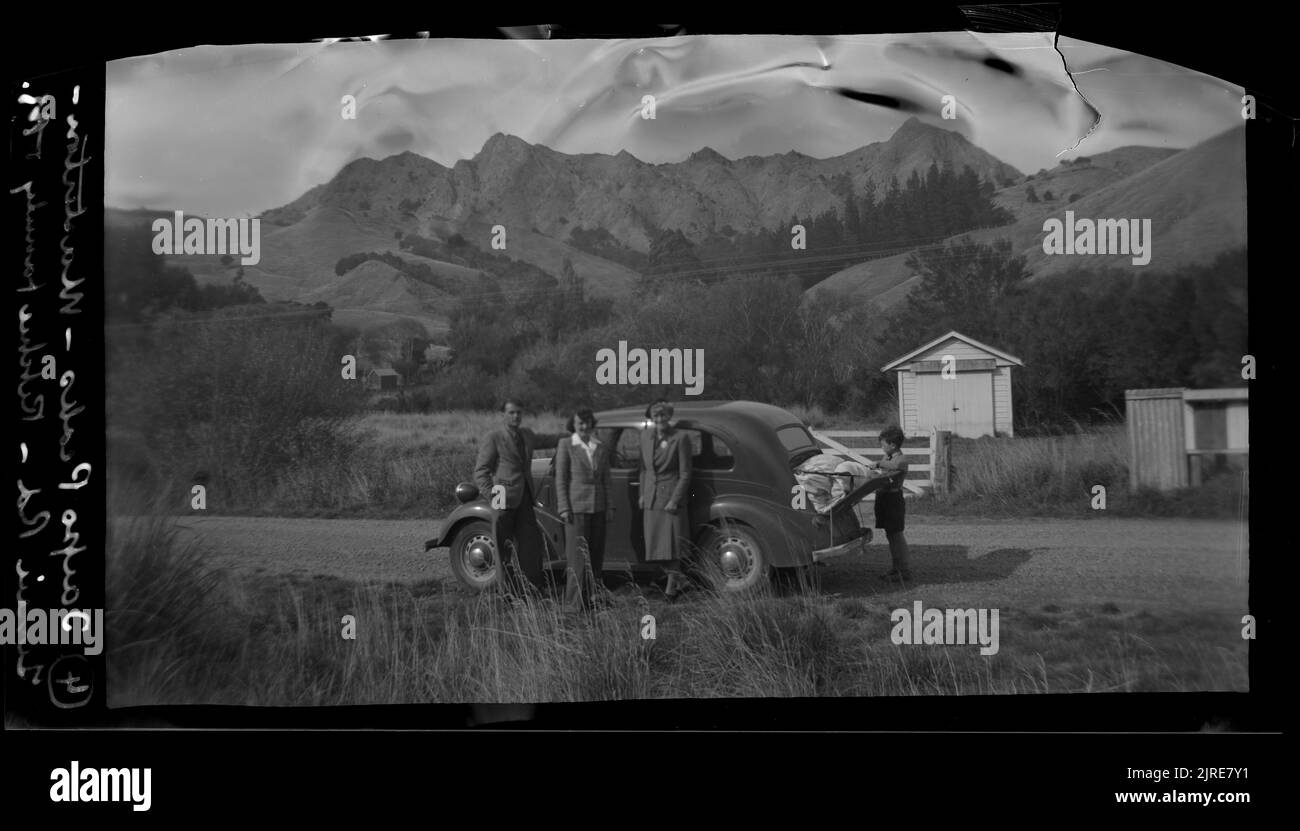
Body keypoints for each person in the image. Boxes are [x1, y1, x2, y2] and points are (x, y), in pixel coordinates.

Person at [474, 398, 553, 599]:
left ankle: (531, 587)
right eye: (511, 413)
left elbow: (547, 440)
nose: (516, 416)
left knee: (530, 543)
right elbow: (481, 471)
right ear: (503, 415)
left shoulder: (526, 435)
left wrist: (573, 435)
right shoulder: (494, 438)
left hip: (525, 497)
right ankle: (507, 592)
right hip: (502, 497)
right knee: (503, 545)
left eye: (519, 412)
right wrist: (493, 494)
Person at [555, 407, 613, 612]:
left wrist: (609, 506)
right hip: (575, 508)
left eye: (588, 422)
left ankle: (591, 598)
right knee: (578, 556)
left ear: (592, 424)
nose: (584, 426)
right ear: (574, 424)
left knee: (595, 556)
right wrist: (564, 507)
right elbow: (561, 479)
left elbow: (606, 479)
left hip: (598, 507)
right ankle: (574, 604)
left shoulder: (600, 446)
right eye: (580, 423)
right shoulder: (566, 445)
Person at [640, 400, 693, 599]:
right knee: (656, 548)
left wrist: (675, 499)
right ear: (651, 418)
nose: (659, 419)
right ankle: (683, 581)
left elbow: (686, 473)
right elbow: (643, 469)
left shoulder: (680, 438)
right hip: (652, 498)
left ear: (669, 417)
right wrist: (642, 495)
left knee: (672, 548)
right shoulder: (645, 436)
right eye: (656, 416)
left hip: (671, 498)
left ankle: (671, 590)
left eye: (663, 415)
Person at [870, 425, 912, 581]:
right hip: (884, 499)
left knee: (896, 535)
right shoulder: (887, 458)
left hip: (893, 500)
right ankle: (896, 569)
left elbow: (896, 466)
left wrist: (878, 464)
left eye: (883, 445)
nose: (882, 448)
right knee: (890, 535)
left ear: (892, 445)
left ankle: (904, 571)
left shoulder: (900, 460)